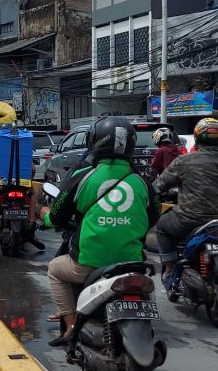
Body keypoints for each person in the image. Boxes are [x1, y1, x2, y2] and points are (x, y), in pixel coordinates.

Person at [38, 116, 158, 341]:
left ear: (94, 142)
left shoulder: (82, 176)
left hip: (88, 263)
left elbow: (56, 217)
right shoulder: (141, 181)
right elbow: (154, 216)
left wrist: (44, 216)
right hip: (132, 262)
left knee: (55, 269)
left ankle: (71, 329)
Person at [152, 117, 218, 286]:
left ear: (196, 138)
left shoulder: (184, 161)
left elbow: (158, 186)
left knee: (162, 226)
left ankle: (170, 268)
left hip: (188, 219)